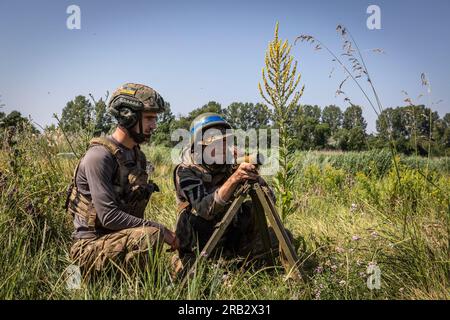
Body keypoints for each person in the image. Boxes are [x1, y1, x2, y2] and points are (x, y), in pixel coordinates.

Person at [67, 83, 179, 276]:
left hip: (116, 242)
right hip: (88, 248)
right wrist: (162, 230)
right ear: (129, 116)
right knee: (152, 234)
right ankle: (92, 281)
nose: (154, 125)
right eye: (150, 118)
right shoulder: (99, 157)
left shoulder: (137, 157)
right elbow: (108, 217)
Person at [172, 112, 292, 276]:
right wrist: (235, 179)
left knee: (283, 239)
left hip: (231, 240)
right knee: (189, 277)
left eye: (225, 142)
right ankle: (217, 268)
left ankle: (239, 265)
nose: (223, 148)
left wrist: (254, 176)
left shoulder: (229, 165)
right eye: (216, 144)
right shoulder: (185, 171)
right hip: (199, 246)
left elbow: (270, 200)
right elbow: (205, 209)